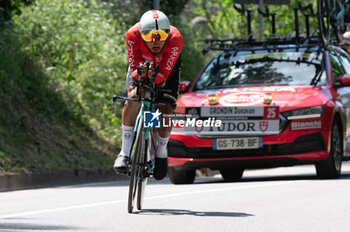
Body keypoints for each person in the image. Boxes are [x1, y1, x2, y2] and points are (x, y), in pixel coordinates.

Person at [113, 10, 183, 180]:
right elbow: (134, 69)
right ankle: (124, 153)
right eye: (150, 36)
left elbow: (163, 76)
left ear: (167, 34)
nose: (156, 41)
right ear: (141, 34)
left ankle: (160, 152)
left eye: (160, 36)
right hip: (140, 65)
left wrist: (156, 77)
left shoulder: (175, 39)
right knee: (134, 97)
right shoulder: (132, 35)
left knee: (164, 107)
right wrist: (140, 74)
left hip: (167, 68)